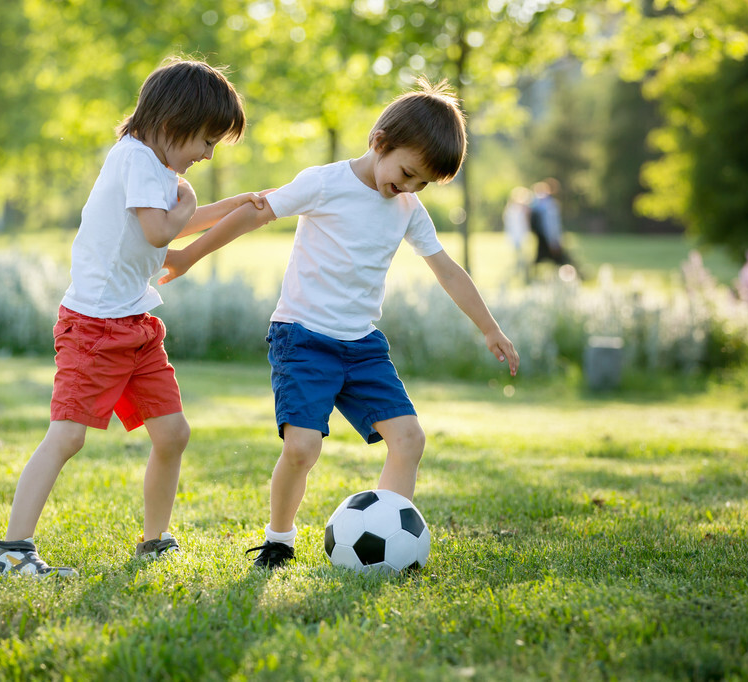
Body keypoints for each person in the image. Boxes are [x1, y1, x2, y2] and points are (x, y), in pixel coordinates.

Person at [160, 78, 520, 570]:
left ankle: (388, 552)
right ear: (380, 141)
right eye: (407, 172)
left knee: (410, 440)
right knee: (302, 448)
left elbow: (448, 270)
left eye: (422, 184)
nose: (409, 188)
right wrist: (187, 256)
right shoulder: (325, 182)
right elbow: (255, 213)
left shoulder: (408, 210)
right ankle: (279, 539)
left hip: (363, 346)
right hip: (302, 338)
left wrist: (490, 327)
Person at [0, 57, 268, 577]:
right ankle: (12, 550)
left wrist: (241, 204)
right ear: (171, 123)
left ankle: (155, 540)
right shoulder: (137, 159)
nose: (207, 154)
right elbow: (160, 233)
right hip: (94, 327)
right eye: (205, 140)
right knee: (67, 436)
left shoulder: (155, 167)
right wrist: (188, 207)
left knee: (172, 433)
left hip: (136, 326)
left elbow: (173, 222)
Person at [502, 186, 532, 283]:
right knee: (520, 257)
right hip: (517, 236)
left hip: (521, 236)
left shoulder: (517, 209)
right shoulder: (513, 210)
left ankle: (523, 275)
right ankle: (519, 274)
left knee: (522, 257)